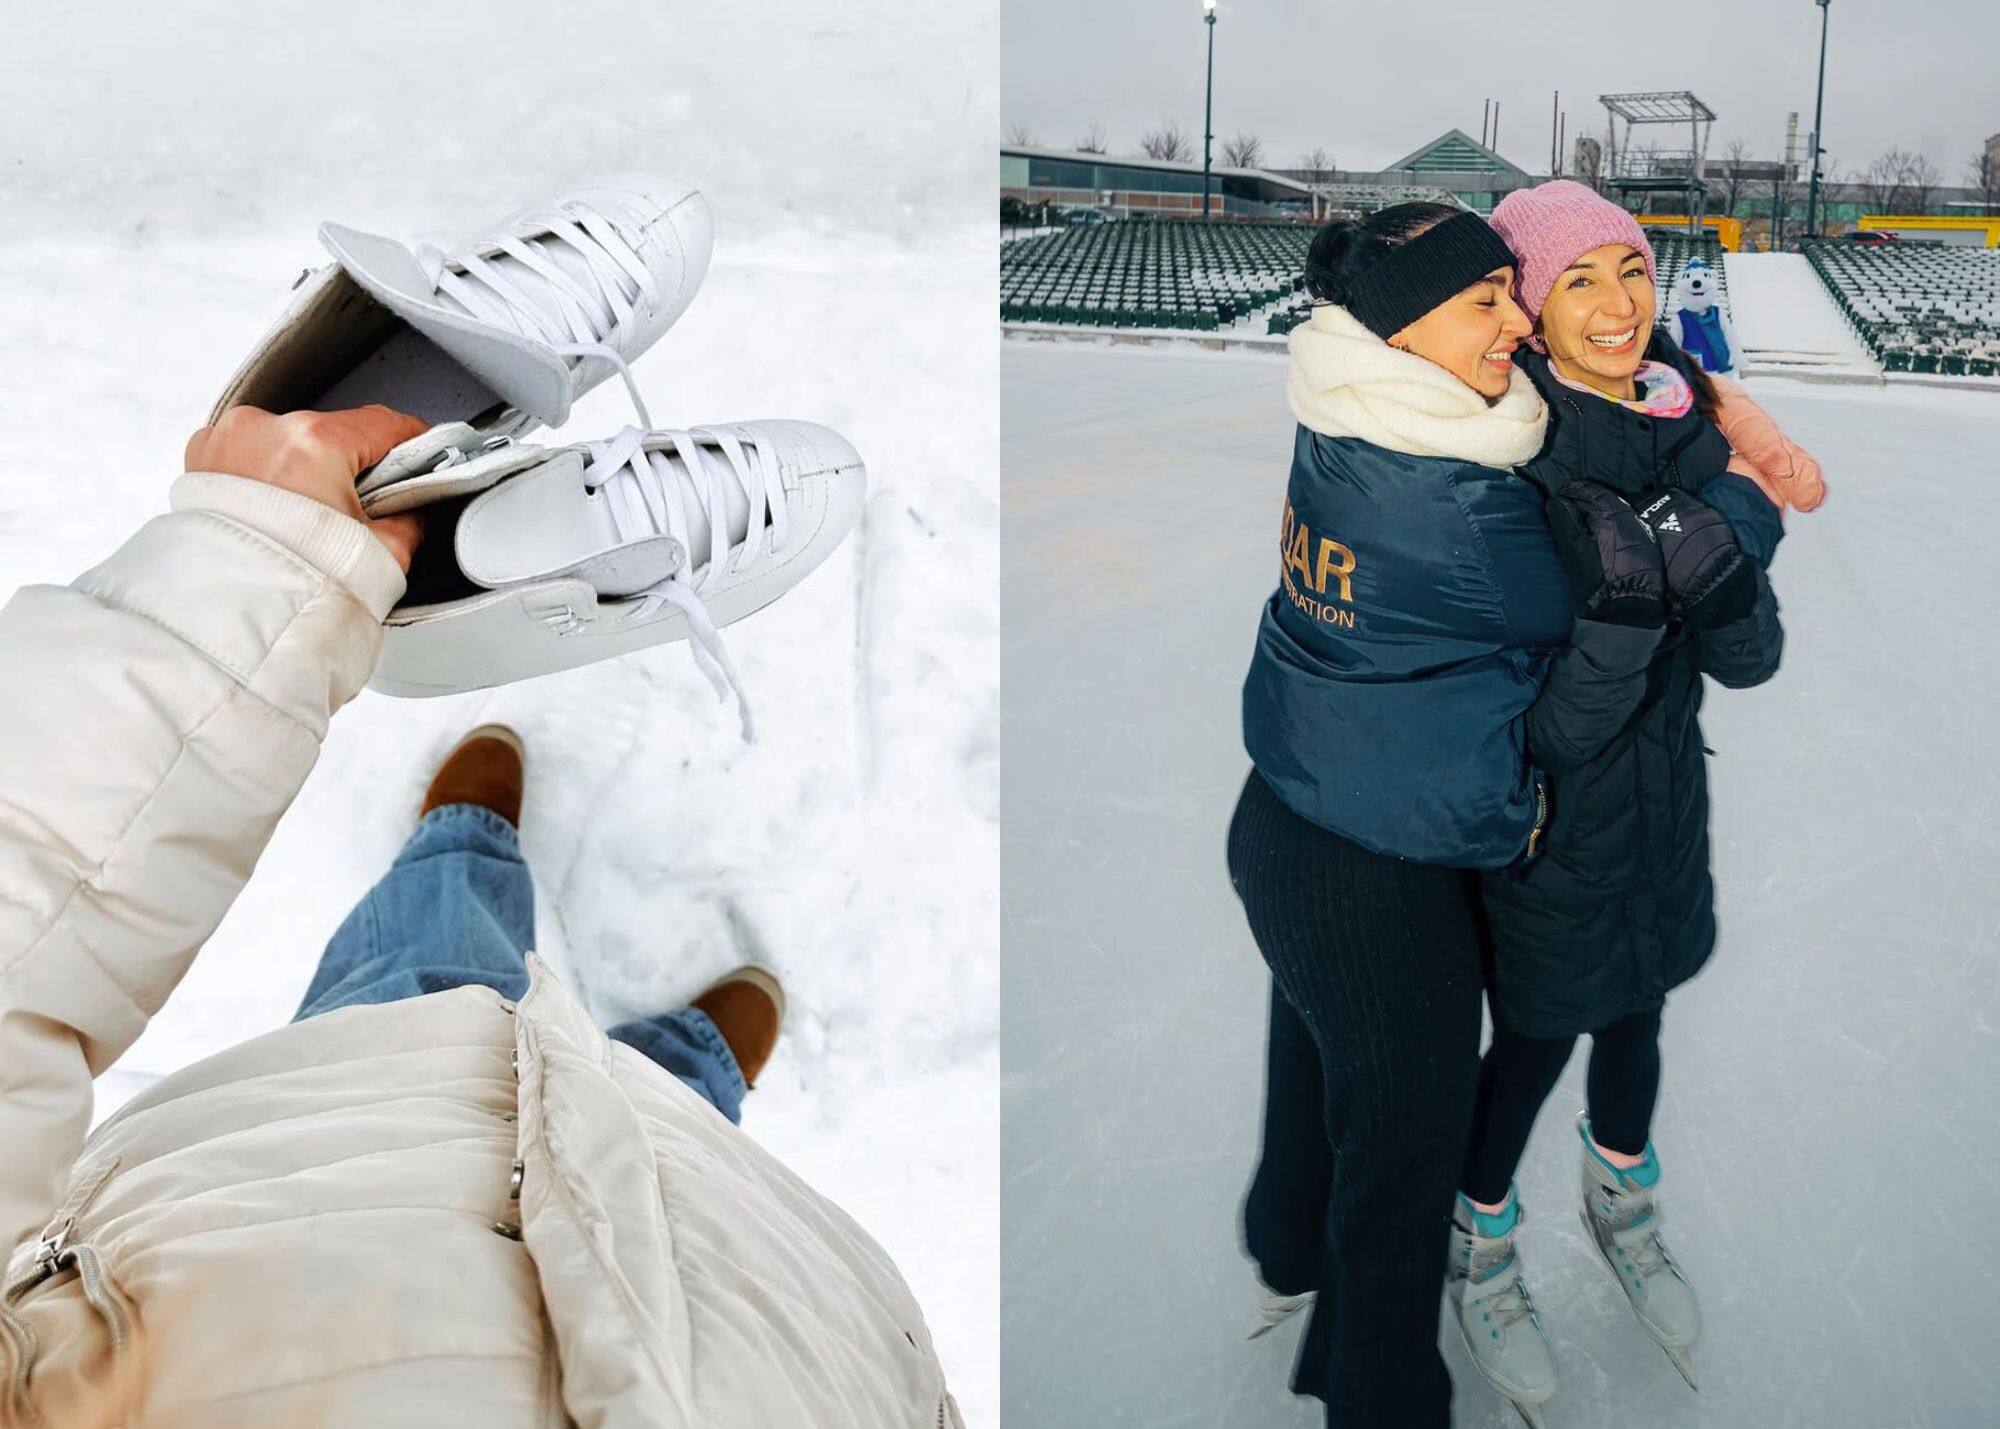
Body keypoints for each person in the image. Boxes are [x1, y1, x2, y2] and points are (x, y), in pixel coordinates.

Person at [0, 404, 961, 1427]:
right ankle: (689, 1069)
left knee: (421, 983)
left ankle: (463, 846)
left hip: (308, 1194)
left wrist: (236, 588)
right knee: (676, 1145)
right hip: (764, 1342)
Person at [1230, 202, 1680, 1428]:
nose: (1516, 320)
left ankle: (1282, 1250)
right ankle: (1376, 1392)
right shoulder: (1466, 508)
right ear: (1396, 330)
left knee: (1314, 1063)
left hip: (1299, 804)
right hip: (1378, 865)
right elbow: (1593, 648)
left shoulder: (1345, 416)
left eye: (1507, 291)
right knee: (1404, 1154)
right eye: (1481, 301)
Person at [1444, 180, 1797, 1416]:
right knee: (1534, 1041)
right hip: (1552, 836)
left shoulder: (1689, 432)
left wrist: (1721, 570)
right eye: (1575, 280)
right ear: (1527, 312)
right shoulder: (1503, 461)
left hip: (1661, 818)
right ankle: (1477, 1243)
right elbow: (1532, 734)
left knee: (1638, 1016)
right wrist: (1622, 612)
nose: (1613, 305)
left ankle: (1620, 1207)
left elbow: (1749, 665)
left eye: (1630, 272)